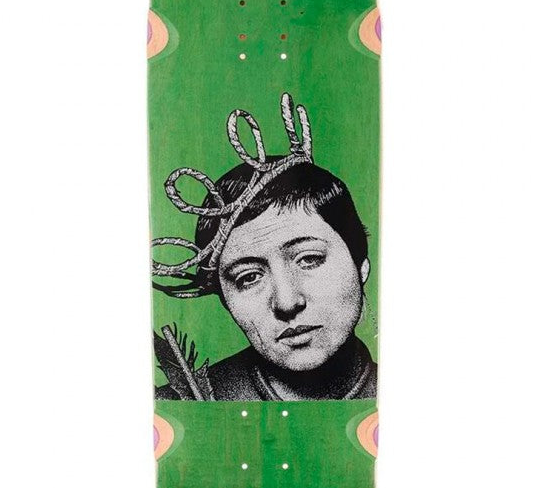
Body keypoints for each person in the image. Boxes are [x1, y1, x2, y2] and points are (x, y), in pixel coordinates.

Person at [152, 94, 377, 401]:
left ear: (360, 263)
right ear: (225, 300)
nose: (287, 302)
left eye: (309, 259)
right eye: (248, 277)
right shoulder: (182, 405)